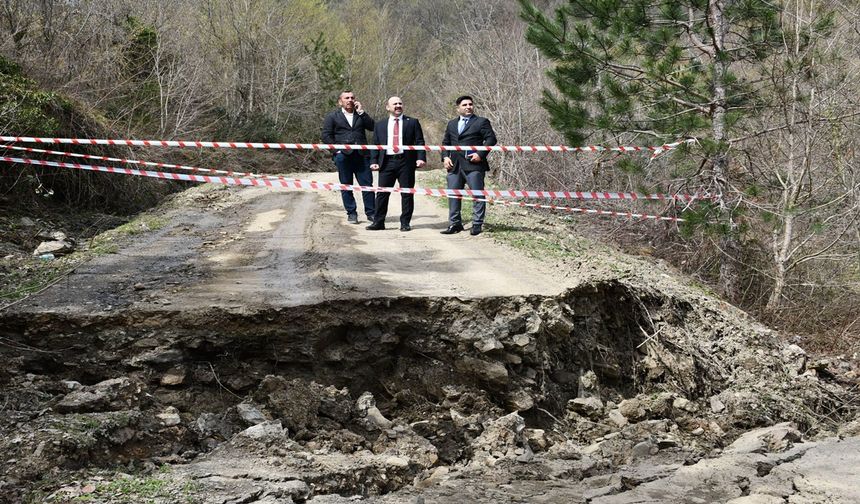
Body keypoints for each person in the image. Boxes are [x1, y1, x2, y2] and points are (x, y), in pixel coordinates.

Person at [366, 96, 426, 232]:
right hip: (386, 162)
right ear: (388, 107)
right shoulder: (380, 124)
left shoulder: (413, 122)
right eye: (395, 104)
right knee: (382, 193)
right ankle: (378, 222)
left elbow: (419, 141)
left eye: (400, 103)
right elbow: (375, 144)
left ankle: (405, 223)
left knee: (406, 193)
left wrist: (420, 158)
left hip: (406, 162)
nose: (398, 106)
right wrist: (374, 161)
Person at [440, 95, 497, 236]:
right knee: (453, 195)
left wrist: (480, 154)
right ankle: (455, 223)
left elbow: (491, 139)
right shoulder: (451, 124)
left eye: (470, 104)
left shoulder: (481, 122)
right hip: (454, 165)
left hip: (474, 165)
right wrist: (445, 157)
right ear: (458, 108)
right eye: (464, 105)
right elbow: (446, 143)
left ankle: (477, 223)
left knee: (477, 194)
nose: (468, 107)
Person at [321, 90, 376, 224]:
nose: (350, 100)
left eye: (352, 97)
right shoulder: (332, 116)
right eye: (347, 98)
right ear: (340, 101)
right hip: (343, 156)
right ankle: (351, 213)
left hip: (362, 156)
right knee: (346, 185)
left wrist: (362, 112)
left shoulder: (360, 115)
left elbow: (373, 127)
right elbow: (326, 136)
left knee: (367, 185)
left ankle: (371, 213)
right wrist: (337, 151)